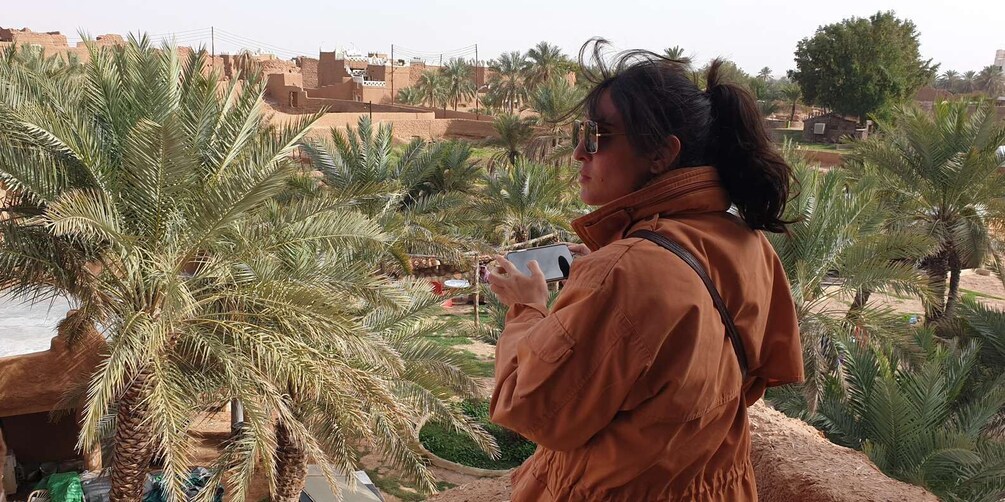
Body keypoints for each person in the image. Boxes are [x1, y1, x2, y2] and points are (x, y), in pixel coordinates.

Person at [487, 40, 803, 501]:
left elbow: (529, 407)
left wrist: (526, 308)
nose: (579, 152)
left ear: (660, 154)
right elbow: (739, 378)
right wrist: (617, 261)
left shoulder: (626, 271)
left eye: (596, 136)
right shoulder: (747, 244)